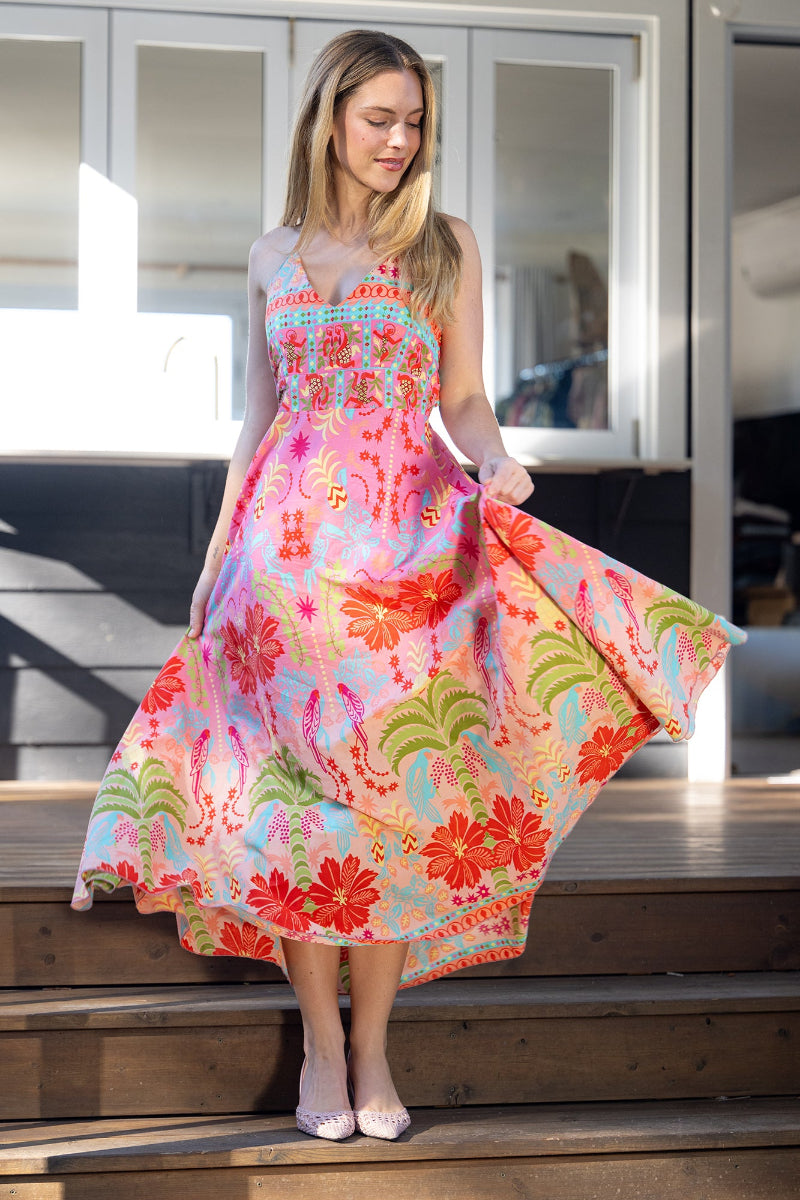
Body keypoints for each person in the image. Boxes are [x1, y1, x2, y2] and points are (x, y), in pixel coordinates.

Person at [72, 29, 745, 1143]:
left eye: (414, 121)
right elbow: (258, 418)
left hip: (402, 563)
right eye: (378, 118)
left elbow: (466, 399)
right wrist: (211, 561)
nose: (398, 140)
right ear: (329, 117)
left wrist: (493, 458)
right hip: (278, 575)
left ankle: (376, 1045)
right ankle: (322, 1047)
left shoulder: (442, 245)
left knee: (394, 807)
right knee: (295, 820)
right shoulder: (267, 255)